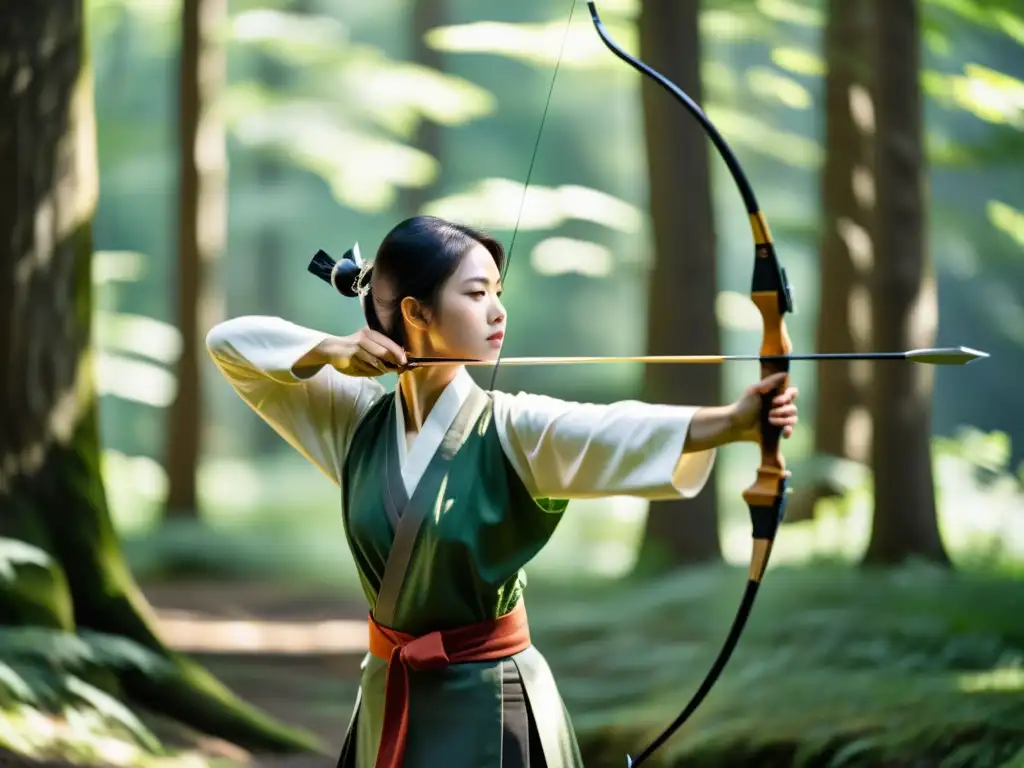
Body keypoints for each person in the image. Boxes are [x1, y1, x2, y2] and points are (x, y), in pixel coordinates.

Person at [206, 215, 799, 768]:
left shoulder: (513, 427)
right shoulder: (355, 419)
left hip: (493, 705)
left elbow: (612, 428)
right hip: (391, 691)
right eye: (476, 293)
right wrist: (329, 349)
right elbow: (230, 342)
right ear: (415, 311)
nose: (497, 311)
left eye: (498, 292)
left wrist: (736, 421)